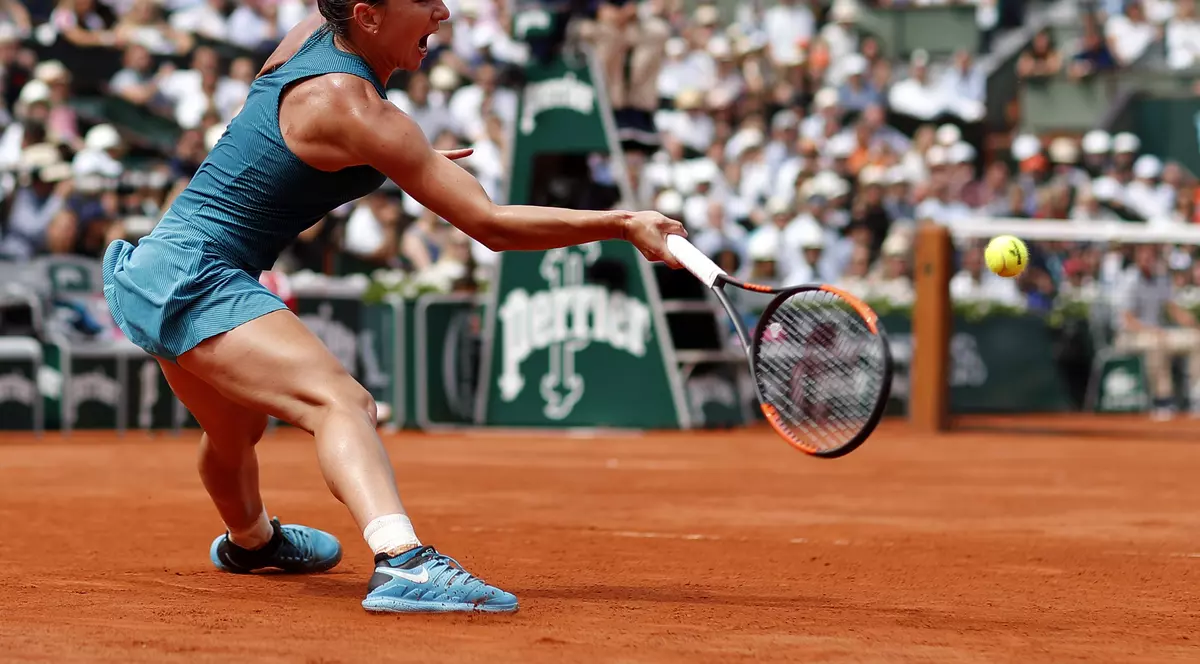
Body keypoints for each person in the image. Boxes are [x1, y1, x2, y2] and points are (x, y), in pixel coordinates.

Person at [101, 0, 685, 615]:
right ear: (368, 16)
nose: (443, 12)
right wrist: (622, 222)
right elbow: (492, 225)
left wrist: (406, 160)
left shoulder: (312, 40)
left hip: (159, 266)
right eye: (424, 2)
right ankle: (403, 561)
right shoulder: (356, 108)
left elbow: (275, 137)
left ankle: (252, 543)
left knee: (234, 429)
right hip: (197, 273)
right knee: (342, 402)